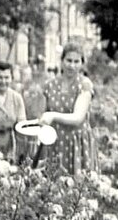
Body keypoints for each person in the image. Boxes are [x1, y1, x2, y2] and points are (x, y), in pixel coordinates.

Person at [38, 43, 98, 174]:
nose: (72, 65)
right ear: (62, 61)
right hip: (54, 142)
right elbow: (42, 115)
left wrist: (53, 115)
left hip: (77, 143)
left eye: (77, 61)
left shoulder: (84, 85)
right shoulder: (49, 85)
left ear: (82, 63)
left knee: (77, 185)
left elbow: (78, 118)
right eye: (69, 60)